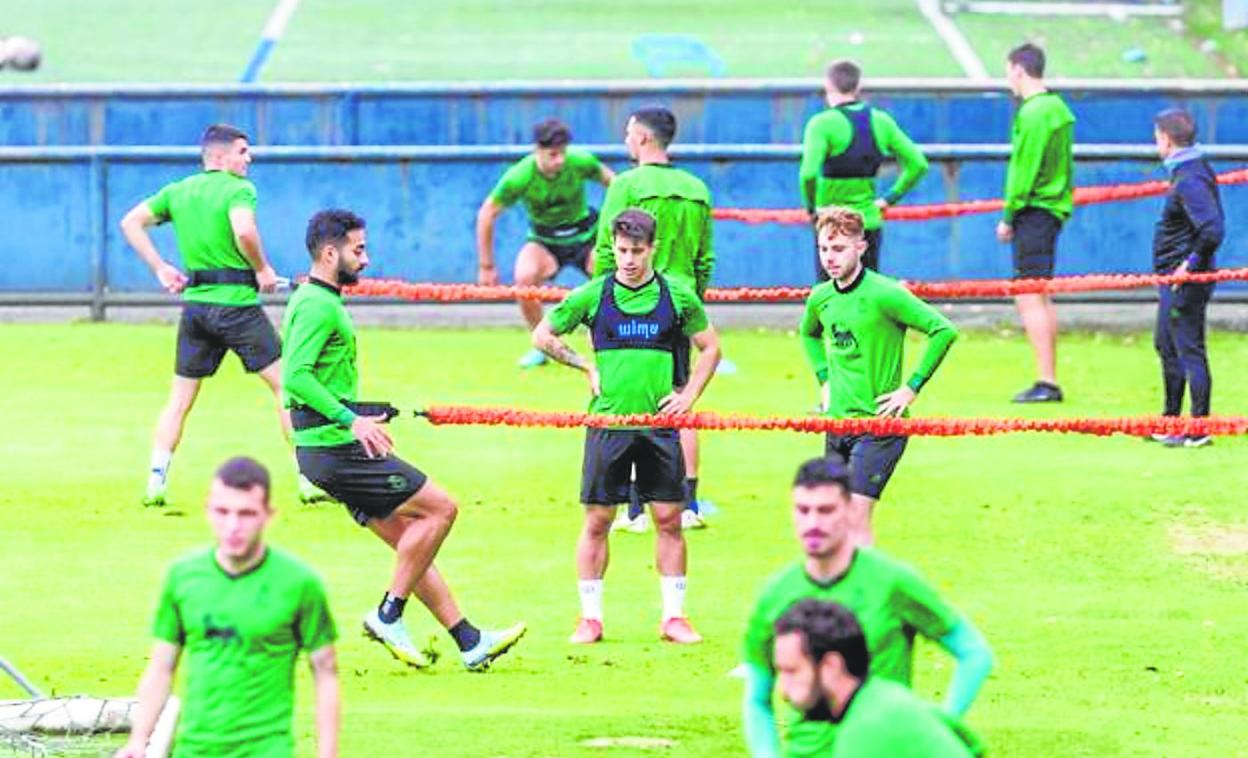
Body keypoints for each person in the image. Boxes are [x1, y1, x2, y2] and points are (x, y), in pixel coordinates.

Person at [285, 209, 525, 670]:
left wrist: (361, 412)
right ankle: (387, 614)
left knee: (411, 549)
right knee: (441, 509)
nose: (367, 259)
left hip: (326, 447)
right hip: (335, 449)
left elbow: (312, 383)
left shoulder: (312, 297)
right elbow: (295, 377)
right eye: (358, 250)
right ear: (330, 253)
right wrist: (349, 420)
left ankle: (470, 641)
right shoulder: (318, 306)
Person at [533, 209, 722, 645]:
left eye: (637, 251)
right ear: (612, 248)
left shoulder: (677, 296)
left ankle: (674, 618)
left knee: (669, 519)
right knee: (598, 520)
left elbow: (711, 348)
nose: (629, 260)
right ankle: (590, 619)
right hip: (608, 424)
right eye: (622, 251)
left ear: (653, 248)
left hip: (659, 427)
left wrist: (689, 395)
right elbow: (542, 335)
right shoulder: (594, 294)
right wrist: (584, 365)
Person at [119, 123, 325, 507]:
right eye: (243, 151)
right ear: (219, 156)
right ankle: (309, 479)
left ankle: (155, 484)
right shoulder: (238, 189)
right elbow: (244, 231)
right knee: (288, 387)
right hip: (237, 309)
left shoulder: (178, 191)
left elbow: (130, 222)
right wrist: (262, 269)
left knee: (179, 401)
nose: (249, 159)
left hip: (196, 310)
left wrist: (161, 268)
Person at [741, 457, 993, 757]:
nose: (813, 524)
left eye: (825, 510)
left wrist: (935, 727)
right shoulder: (775, 595)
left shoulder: (892, 582)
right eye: (802, 510)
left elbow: (974, 653)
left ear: (850, 510)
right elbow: (758, 698)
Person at [114, 457, 339, 758]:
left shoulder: (300, 584)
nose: (233, 526)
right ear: (208, 511)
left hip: (267, 750)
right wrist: (139, 740)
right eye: (223, 512)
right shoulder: (182, 578)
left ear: (268, 515)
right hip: (195, 750)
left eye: (246, 514)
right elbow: (162, 667)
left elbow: (325, 672)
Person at [799, 207, 957, 545]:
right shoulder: (820, 297)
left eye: (839, 248)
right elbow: (808, 335)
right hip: (837, 424)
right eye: (824, 249)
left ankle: (864, 596)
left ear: (861, 247)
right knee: (835, 519)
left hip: (880, 427)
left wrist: (911, 388)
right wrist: (824, 379)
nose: (830, 257)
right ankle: (841, 595)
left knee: (855, 519)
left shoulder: (885, 293)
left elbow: (943, 331)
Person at [595, 104, 716, 530]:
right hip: (680, 304)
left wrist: (602, 304)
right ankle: (687, 504)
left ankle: (634, 509)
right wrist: (692, 303)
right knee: (679, 398)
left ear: (643, 138)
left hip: (633, 302)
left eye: (629, 133)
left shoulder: (626, 184)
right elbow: (705, 259)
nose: (626, 139)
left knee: (632, 399)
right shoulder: (697, 188)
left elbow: (606, 251)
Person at [476, 117, 614, 368]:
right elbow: (487, 213)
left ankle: (615, 345)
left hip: (585, 237)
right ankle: (542, 345)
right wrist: (486, 266)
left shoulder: (581, 161)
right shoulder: (519, 176)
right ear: (537, 150)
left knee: (612, 280)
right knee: (524, 278)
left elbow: (616, 185)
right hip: (545, 240)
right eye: (552, 154)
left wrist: (616, 227)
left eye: (562, 153)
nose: (560, 160)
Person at [772, 599, 984, 758]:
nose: (783, 690)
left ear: (830, 665)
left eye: (792, 672)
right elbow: (971, 744)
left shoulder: (862, 736)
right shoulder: (888, 698)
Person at [799, 59, 928, 278]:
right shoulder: (881, 121)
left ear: (828, 86)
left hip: (831, 225)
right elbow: (918, 164)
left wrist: (812, 209)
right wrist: (889, 199)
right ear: (858, 87)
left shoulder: (821, 124)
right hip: (868, 223)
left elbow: (808, 174)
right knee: (867, 299)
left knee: (831, 299)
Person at [997, 42, 1075, 404]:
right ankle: (1047, 377)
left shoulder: (1033, 113)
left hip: (1035, 210)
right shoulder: (1058, 108)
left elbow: (1023, 170)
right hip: (1052, 208)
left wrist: (1009, 214)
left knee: (1029, 294)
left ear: (1018, 69)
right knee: (1039, 294)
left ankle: (1047, 380)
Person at [1149, 108, 1224, 448]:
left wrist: (1187, 266)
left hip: (1185, 281)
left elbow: (1212, 228)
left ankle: (1198, 426)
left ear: (1165, 137)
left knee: (1187, 347)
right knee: (1167, 343)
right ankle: (1171, 420)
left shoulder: (1190, 177)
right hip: (1176, 279)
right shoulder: (1187, 171)